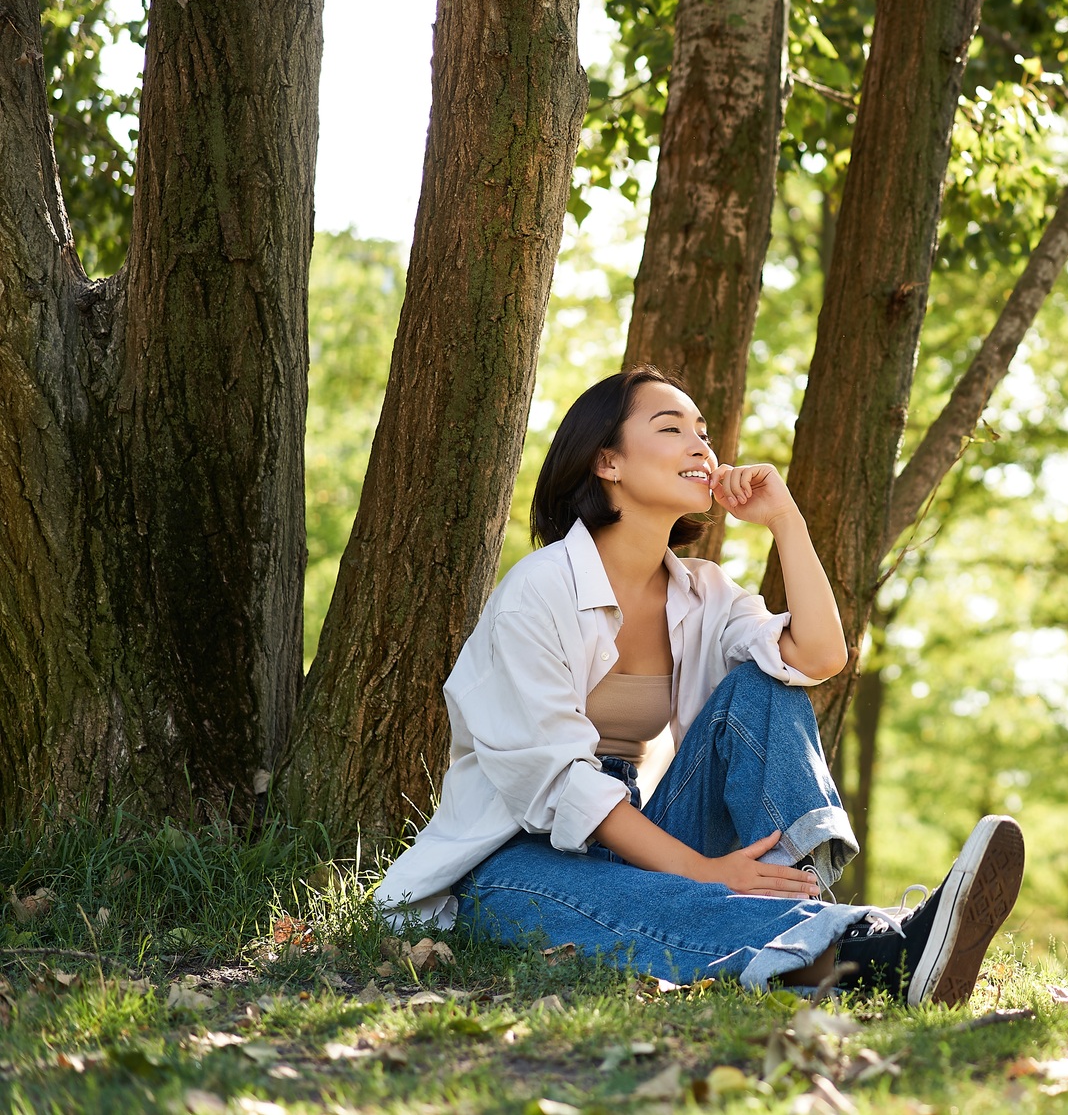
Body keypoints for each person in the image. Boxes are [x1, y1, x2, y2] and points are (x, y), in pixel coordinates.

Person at [372, 366, 1024, 1004]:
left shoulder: (704, 590)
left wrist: (785, 520)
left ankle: (805, 907)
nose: (700, 444)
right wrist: (708, 870)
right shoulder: (538, 592)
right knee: (660, 892)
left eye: (704, 431)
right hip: (512, 860)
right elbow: (563, 786)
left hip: (641, 832)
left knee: (765, 684)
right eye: (670, 427)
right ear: (608, 462)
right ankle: (875, 950)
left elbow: (819, 656)